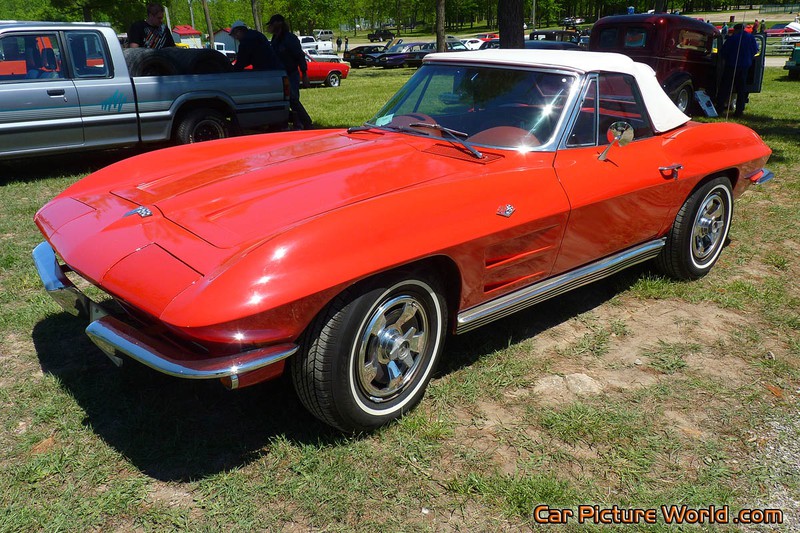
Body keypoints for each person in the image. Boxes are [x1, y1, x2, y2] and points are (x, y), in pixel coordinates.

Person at [267, 14, 312, 130]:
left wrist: (305, 74)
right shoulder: (275, 39)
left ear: (279, 23)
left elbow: (300, 56)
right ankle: (284, 124)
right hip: (278, 75)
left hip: (291, 74)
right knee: (282, 101)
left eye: (272, 24)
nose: (270, 27)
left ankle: (305, 123)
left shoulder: (290, 39)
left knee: (293, 99)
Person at [717, 23, 759, 117]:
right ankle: (739, 110)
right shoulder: (751, 38)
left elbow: (723, 52)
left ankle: (720, 107)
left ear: (736, 30)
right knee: (741, 89)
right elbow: (755, 50)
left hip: (731, 65)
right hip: (744, 66)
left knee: (725, 87)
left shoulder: (732, 38)